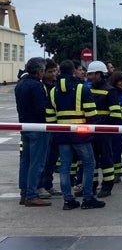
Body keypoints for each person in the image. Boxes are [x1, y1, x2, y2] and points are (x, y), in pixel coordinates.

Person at [46, 59, 105, 210]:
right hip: (81, 134)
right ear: (73, 71)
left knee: (65, 167)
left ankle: (68, 200)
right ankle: (87, 198)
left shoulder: (53, 91)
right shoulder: (82, 89)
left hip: (62, 134)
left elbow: (50, 117)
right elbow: (92, 114)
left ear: (60, 72)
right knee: (89, 163)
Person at [16, 57, 51, 207]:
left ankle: (24, 194)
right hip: (38, 127)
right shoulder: (37, 86)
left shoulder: (20, 84)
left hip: (24, 126)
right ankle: (32, 195)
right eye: (43, 70)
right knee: (36, 163)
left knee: (25, 162)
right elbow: (40, 108)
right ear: (39, 71)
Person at [86, 61, 121, 198]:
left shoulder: (110, 91)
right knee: (92, 159)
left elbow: (116, 114)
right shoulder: (88, 89)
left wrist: (104, 127)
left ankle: (107, 185)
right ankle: (93, 185)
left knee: (106, 159)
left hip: (104, 132)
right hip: (91, 130)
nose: (89, 77)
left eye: (91, 74)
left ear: (99, 74)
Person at [38, 58, 62, 198]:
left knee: (53, 158)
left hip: (56, 126)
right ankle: (40, 186)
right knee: (44, 159)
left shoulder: (57, 85)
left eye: (55, 71)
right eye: (50, 72)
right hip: (45, 127)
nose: (53, 74)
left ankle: (48, 184)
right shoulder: (41, 86)